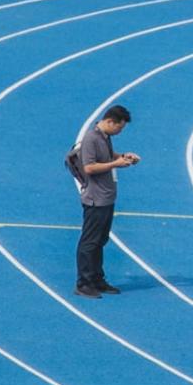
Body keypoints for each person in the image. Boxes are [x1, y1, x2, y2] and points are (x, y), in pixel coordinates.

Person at [74, 105, 139, 300]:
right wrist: (115, 164)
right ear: (110, 121)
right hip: (96, 199)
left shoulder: (104, 137)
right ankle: (84, 283)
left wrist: (123, 156)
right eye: (119, 127)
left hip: (106, 197)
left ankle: (97, 279)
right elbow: (90, 167)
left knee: (100, 240)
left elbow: (107, 156)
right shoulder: (91, 139)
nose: (119, 131)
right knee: (90, 242)